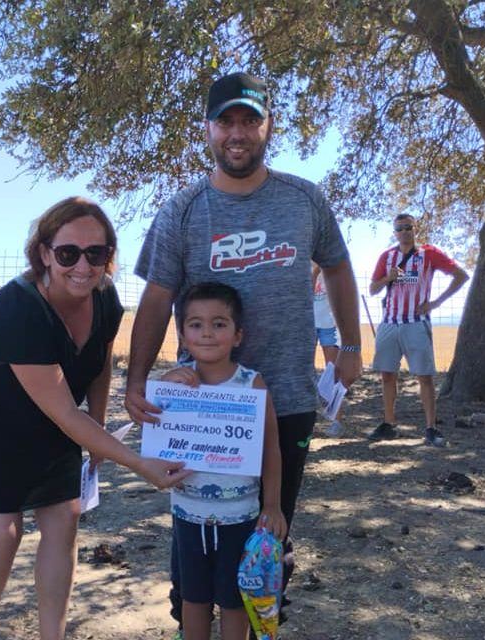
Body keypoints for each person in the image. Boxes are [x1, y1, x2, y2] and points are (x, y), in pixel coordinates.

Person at [124, 71, 363, 634]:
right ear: (207, 129)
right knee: (198, 525)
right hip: (202, 409)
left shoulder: (305, 199)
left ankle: (263, 623)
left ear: (267, 126)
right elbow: (157, 298)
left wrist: (349, 346)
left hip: (287, 396)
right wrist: (138, 380)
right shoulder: (181, 211)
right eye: (226, 121)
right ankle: (191, 619)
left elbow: (338, 267)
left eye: (249, 120)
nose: (238, 133)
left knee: (270, 530)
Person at [0, 196, 191, 640]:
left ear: (108, 258)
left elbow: (98, 361)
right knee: (3, 533)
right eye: (68, 253)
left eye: (96, 254)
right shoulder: (15, 310)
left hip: (55, 412)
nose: (82, 265)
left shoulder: (105, 297)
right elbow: (61, 411)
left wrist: (97, 430)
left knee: (65, 519)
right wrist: (136, 463)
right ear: (44, 253)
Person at [157, 282, 288, 640]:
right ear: (182, 335)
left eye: (219, 323)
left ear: (238, 334)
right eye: (196, 324)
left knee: (234, 600)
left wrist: (273, 505)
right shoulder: (172, 385)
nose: (208, 333)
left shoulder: (253, 386)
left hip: (241, 516)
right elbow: (155, 441)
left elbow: (270, 449)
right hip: (187, 515)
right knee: (193, 597)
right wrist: (165, 388)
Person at [367, 213, 469, 447]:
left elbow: (461, 276)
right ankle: (389, 423)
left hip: (416, 322)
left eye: (407, 227)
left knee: (424, 376)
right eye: (399, 228)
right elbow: (373, 289)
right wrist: (387, 278)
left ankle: (431, 427)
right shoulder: (387, 256)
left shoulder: (428, 254)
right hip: (390, 323)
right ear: (394, 232)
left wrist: (436, 303)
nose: (403, 232)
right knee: (387, 374)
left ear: (415, 229)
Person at [312, 262, 345, 435]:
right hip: (307, 323)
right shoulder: (301, 261)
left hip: (329, 325)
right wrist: (315, 271)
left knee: (333, 372)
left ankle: (337, 420)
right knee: (305, 371)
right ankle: (307, 418)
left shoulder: (331, 263)